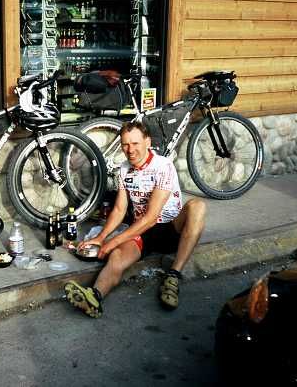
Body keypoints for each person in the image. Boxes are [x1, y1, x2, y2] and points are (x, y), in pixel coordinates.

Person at [65, 121, 206, 318]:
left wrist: (113, 241)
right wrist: (102, 237)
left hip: (171, 229)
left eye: (135, 143)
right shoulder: (124, 169)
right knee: (116, 257)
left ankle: (173, 275)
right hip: (143, 232)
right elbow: (120, 208)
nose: (130, 150)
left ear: (147, 142)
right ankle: (95, 297)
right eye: (125, 144)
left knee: (197, 206)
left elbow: (151, 218)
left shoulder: (163, 166)